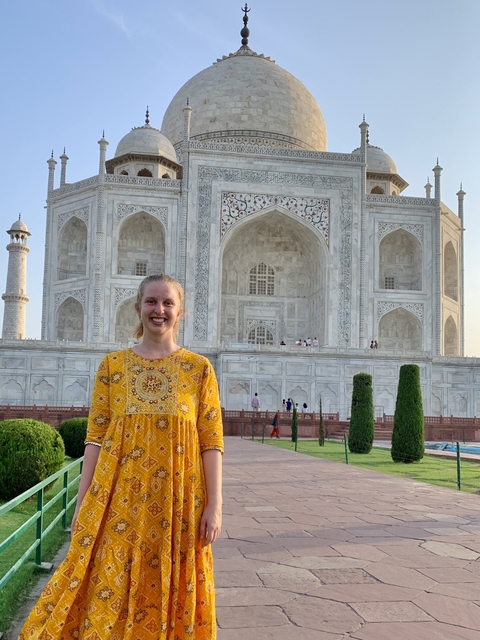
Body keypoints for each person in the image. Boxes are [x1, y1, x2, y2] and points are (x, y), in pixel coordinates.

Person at [19, 274, 224, 640]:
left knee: (172, 578)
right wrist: (83, 502)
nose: (158, 310)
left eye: (167, 303)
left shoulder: (199, 370)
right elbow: (95, 438)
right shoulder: (113, 366)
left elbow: (211, 441)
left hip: (178, 502)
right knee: (102, 576)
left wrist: (214, 505)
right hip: (119, 498)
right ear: (138, 307)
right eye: (151, 302)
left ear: (180, 312)